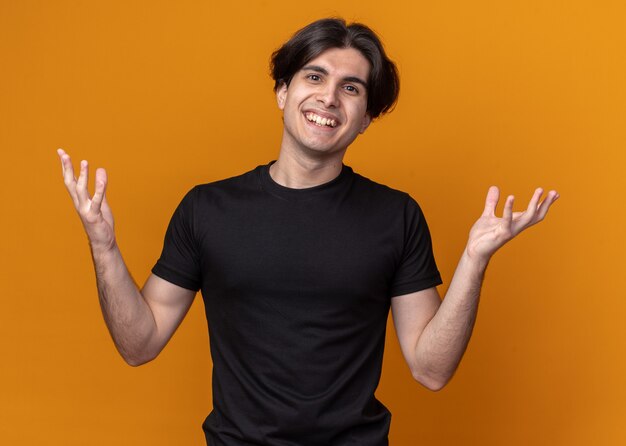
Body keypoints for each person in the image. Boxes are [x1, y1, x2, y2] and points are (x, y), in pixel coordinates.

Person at [57, 18, 559, 446]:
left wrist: (474, 260)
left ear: (365, 118)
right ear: (283, 92)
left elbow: (431, 370)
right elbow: (139, 343)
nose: (329, 97)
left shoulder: (396, 216)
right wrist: (102, 246)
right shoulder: (207, 208)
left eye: (351, 87)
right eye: (314, 76)